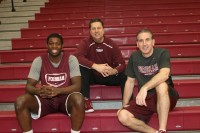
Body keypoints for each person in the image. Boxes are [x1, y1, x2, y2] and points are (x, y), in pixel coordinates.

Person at [15, 33, 85, 133]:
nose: (54, 46)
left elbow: (77, 86)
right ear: (47, 45)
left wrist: (58, 91)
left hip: (65, 98)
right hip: (46, 99)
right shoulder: (39, 60)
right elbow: (29, 87)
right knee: (20, 101)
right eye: (51, 43)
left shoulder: (71, 59)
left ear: (62, 46)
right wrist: (39, 91)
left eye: (57, 44)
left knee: (79, 99)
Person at [117, 29, 179, 133]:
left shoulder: (162, 53)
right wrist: (124, 105)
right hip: (146, 99)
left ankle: (162, 129)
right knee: (123, 116)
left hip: (166, 96)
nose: (144, 44)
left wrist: (145, 87)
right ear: (137, 44)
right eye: (141, 41)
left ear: (153, 42)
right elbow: (130, 82)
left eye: (147, 40)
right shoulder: (134, 57)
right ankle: (154, 132)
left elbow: (164, 74)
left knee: (161, 85)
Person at [75, 18, 127, 113]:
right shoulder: (85, 43)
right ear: (90, 31)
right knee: (81, 66)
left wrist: (113, 71)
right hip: (92, 76)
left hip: (108, 75)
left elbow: (122, 64)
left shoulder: (111, 44)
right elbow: (78, 57)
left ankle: (127, 104)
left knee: (126, 73)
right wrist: (96, 66)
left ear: (103, 30)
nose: (96, 31)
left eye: (98, 28)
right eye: (93, 28)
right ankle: (86, 100)